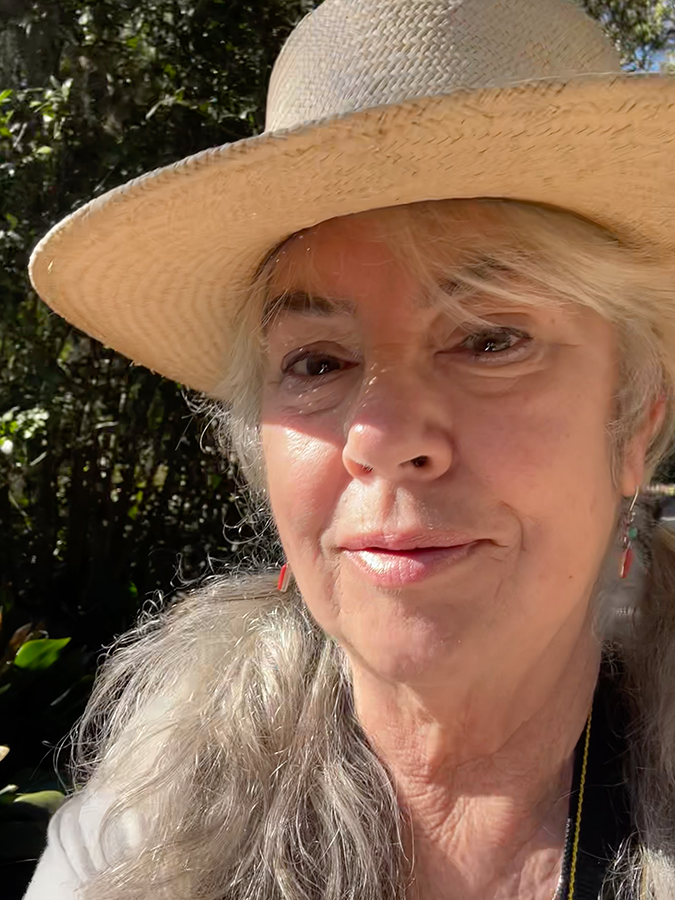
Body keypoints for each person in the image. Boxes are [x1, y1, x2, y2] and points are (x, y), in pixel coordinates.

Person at [22, 0, 675, 897]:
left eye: (488, 339)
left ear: (633, 418)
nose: (382, 438)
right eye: (318, 361)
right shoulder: (139, 841)